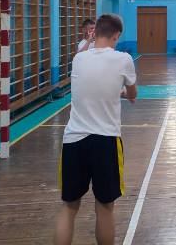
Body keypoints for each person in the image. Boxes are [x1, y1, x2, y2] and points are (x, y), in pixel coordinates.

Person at [54, 14, 137, 245]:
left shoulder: (78, 59)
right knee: (105, 208)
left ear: (95, 32)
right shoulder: (124, 59)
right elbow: (133, 93)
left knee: (69, 207)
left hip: (74, 140)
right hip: (106, 141)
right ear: (116, 35)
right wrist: (124, 93)